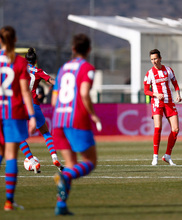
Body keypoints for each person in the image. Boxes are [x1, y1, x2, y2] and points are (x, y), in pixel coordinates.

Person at [0, 26, 36, 211]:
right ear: (15, 40)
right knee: (11, 156)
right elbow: (26, 91)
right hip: (13, 112)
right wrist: (32, 116)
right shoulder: (19, 63)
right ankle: (9, 202)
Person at [51, 33, 101, 215]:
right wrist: (93, 115)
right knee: (91, 161)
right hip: (76, 119)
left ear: (73, 49)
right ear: (89, 50)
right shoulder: (87, 67)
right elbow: (85, 94)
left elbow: (54, 100)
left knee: (71, 163)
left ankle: (61, 206)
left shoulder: (63, 68)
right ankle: (64, 176)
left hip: (58, 121)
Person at [19, 47, 63, 173]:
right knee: (45, 132)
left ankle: (32, 161)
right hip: (33, 105)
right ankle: (54, 157)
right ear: (36, 60)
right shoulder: (38, 70)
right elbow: (50, 81)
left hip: (20, 106)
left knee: (18, 135)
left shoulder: (19, 70)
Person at [144, 49, 182, 166]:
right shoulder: (149, 73)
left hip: (169, 102)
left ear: (160, 58)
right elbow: (146, 91)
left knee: (175, 129)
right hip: (157, 102)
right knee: (158, 127)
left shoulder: (168, 70)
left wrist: (178, 94)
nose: (154, 61)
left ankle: (167, 156)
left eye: (155, 59)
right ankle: (155, 156)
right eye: (151, 59)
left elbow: (175, 84)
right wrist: (155, 94)